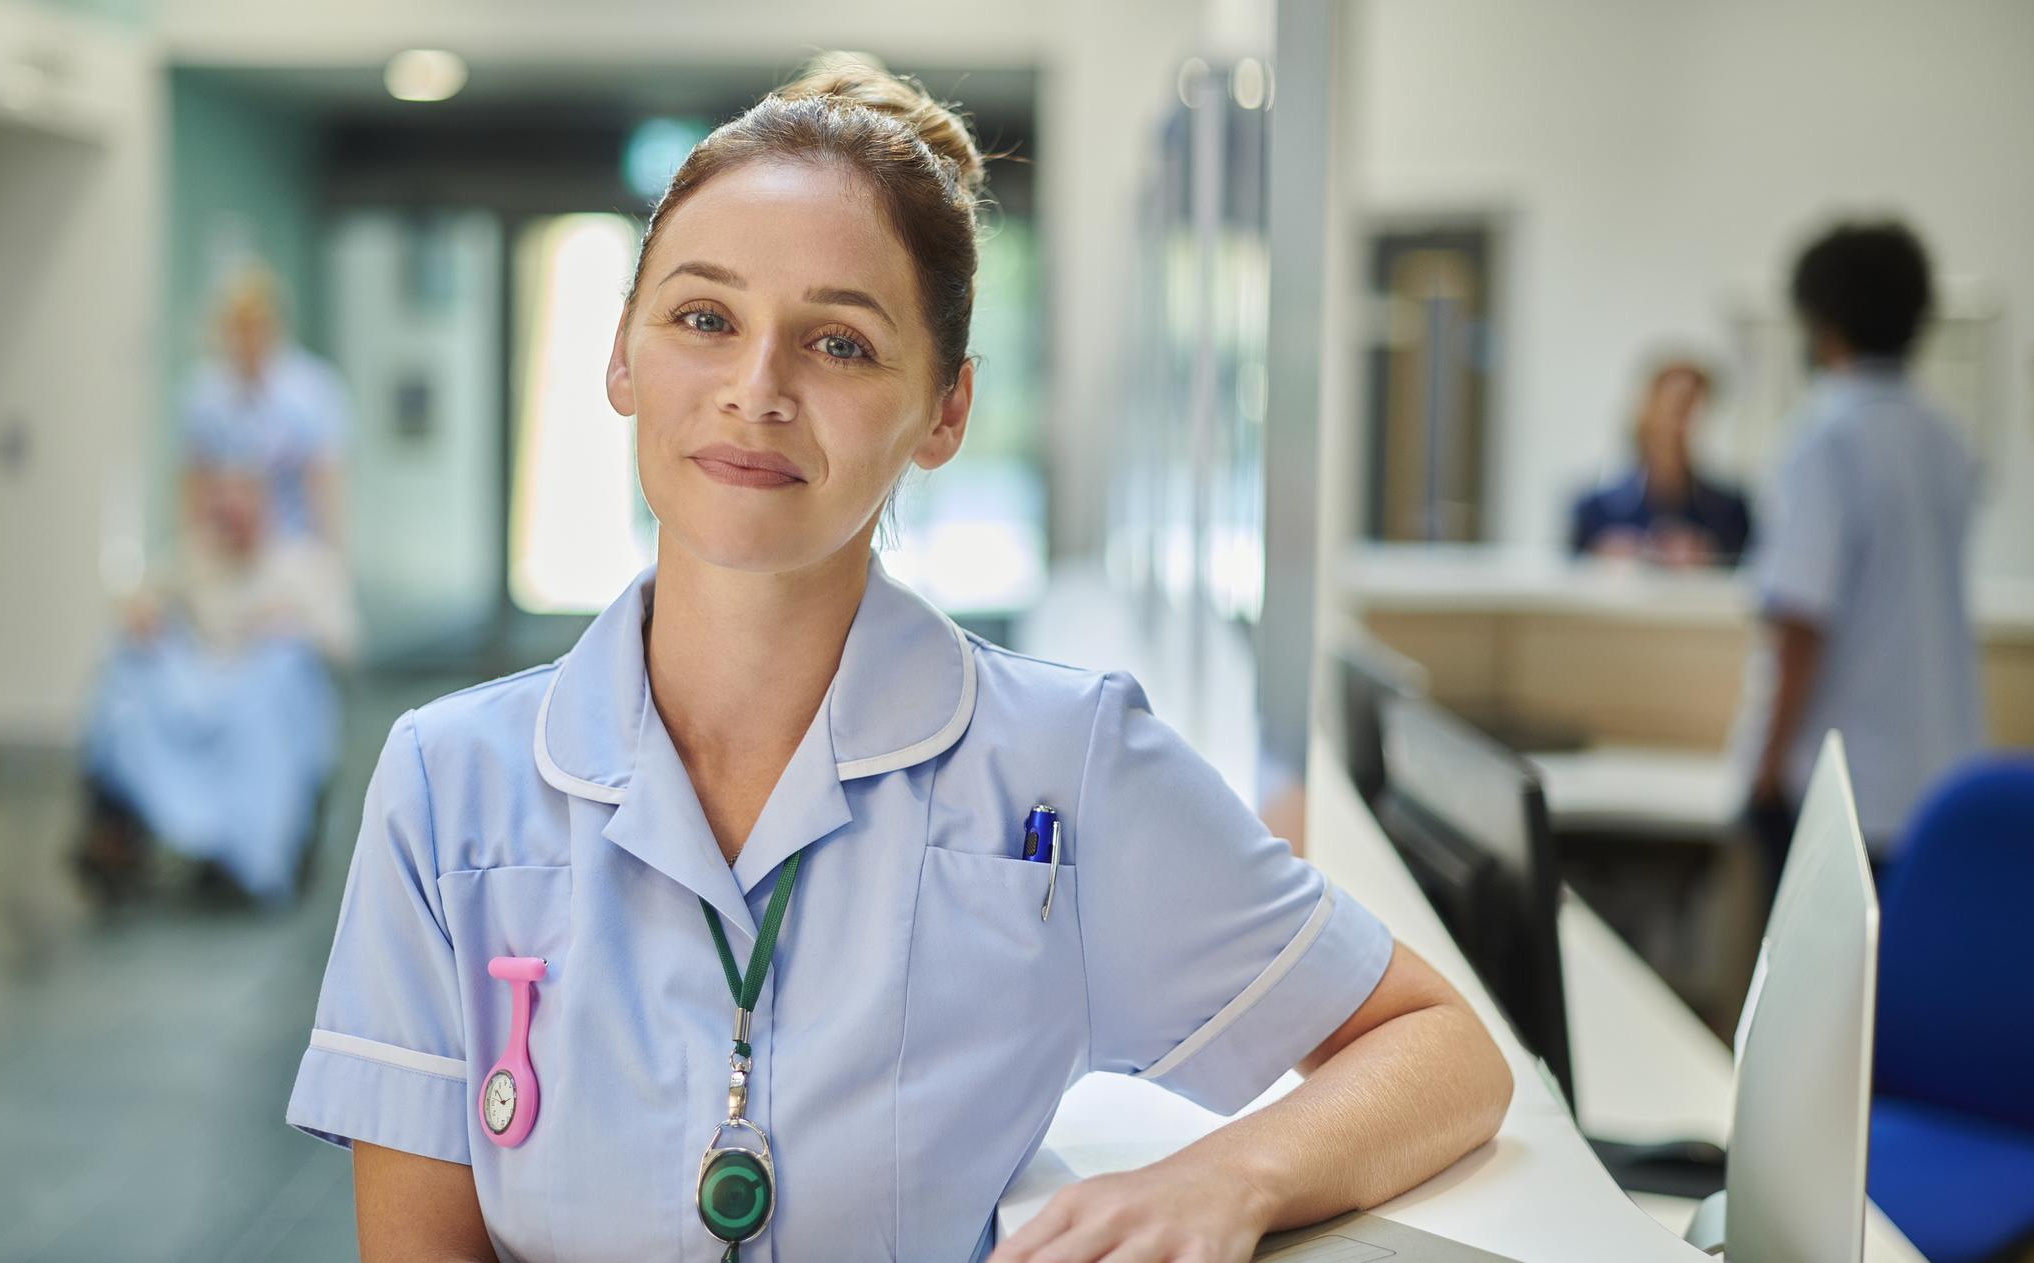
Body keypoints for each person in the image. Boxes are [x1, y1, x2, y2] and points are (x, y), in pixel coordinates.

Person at [284, 55, 1509, 1263]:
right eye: (704, 319)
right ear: (621, 356)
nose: (754, 391)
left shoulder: (1060, 769)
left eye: (840, 345)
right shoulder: (448, 785)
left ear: (946, 411)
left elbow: (1439, 1052)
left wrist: (1222, 1179)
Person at [1733, 219, 1980, 890]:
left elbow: (1801, 619)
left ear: (1820, 321)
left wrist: (1763, 772)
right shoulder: (1946, 437)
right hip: (1938, 788)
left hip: (1840, 794)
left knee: (1819, 992)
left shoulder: (1822, 436)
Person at [74, 472, 354, 904]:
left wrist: (290, 622)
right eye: (220, 512)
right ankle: (118, 826)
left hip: (265, 700)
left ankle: (250, 850)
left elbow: (343, 644)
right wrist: (142, 615)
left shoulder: (301, 563)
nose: (229, 521)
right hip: (202, 691)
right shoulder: (196, 557)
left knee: (278, 672)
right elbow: (142, 598)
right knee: (124, 667)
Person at [181, 265, 350, 550]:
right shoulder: (202, 396)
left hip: (291, 549)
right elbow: (193, 487)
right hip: (225, 553)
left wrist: (331, 561)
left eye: (255, 325)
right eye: (237, 326)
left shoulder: (313, 393)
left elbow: (326, 489)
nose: (247, 339)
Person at [1570, 355, 1752, 566]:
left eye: (1696, 408)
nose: (1685, 423)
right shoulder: (1594, 510)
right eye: (1678, 406)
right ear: (1647, 411)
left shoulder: (1729, 512)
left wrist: (1710, 559)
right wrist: (1601, 560)